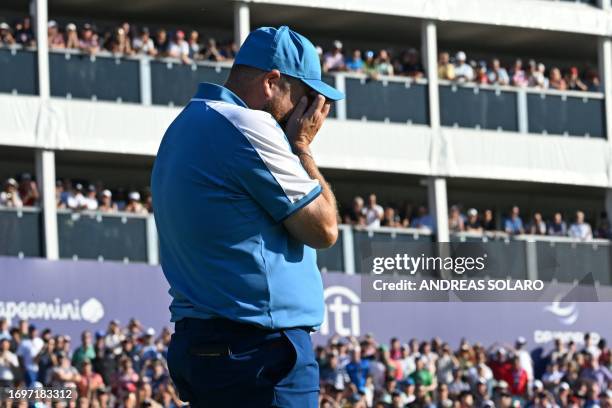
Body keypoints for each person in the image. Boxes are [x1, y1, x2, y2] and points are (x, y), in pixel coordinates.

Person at [151, 25, 344, 406]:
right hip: (257, 350)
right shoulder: (247, 124)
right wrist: (302, 147)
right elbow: (324, 228)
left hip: (208, 343)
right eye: (305, 97)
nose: (310, 114)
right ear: (272, 82)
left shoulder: (184, 124)